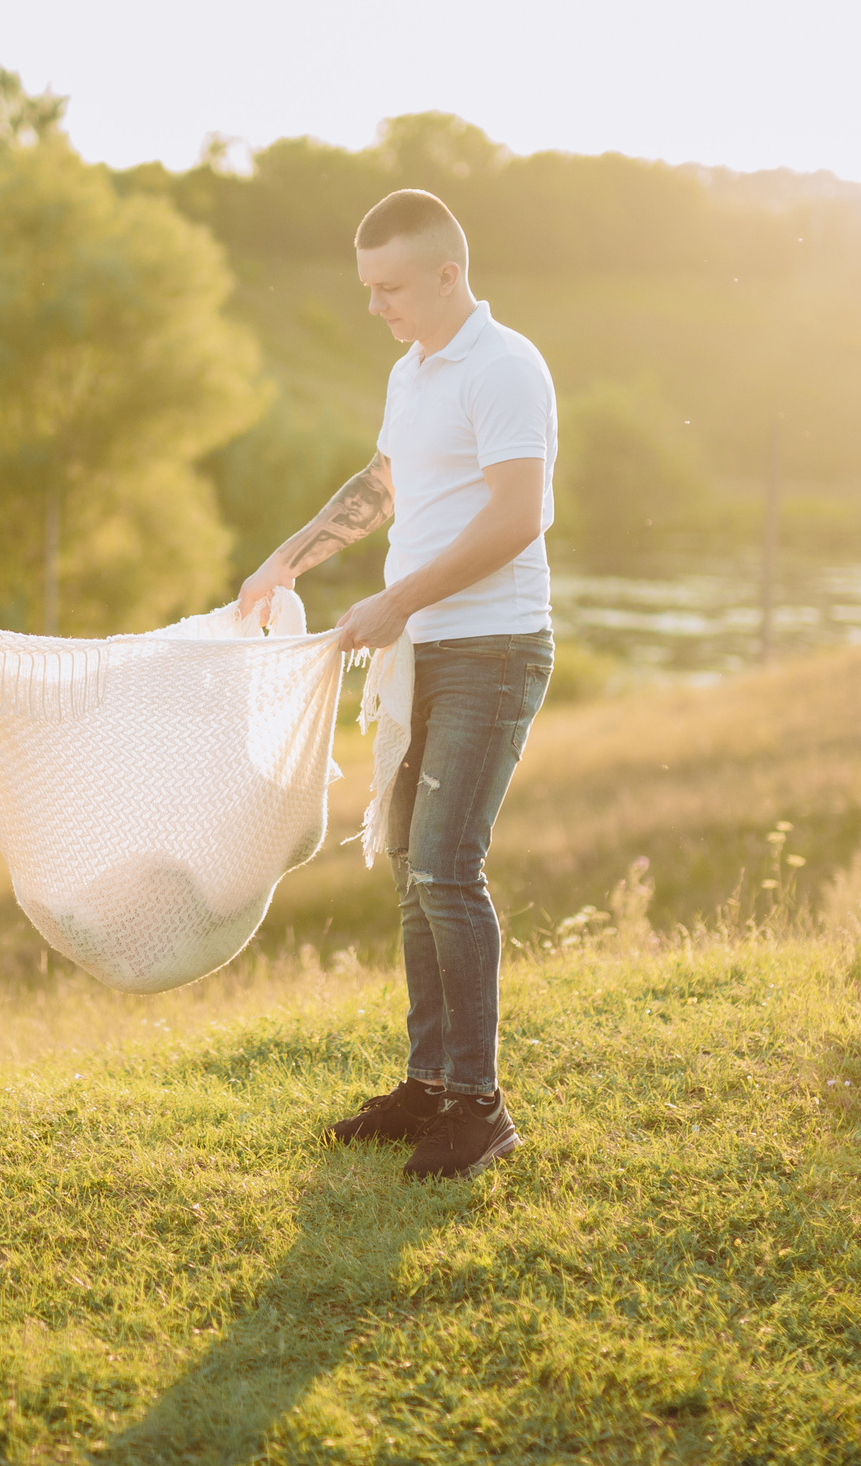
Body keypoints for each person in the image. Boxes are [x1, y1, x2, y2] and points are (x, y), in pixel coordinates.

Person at [239, 188, 559, 1180]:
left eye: (389, 288)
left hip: (492, 648)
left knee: (443, 869)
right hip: (422, 652)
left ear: (446, 275)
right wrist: (286, 560)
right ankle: (429, 1084)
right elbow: (383, 484)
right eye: (367, 288)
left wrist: (395, 604)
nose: (376, 305)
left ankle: (479, 1106)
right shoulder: (411, 371)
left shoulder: (505, 368)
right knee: (409, 871)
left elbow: (518, 517)